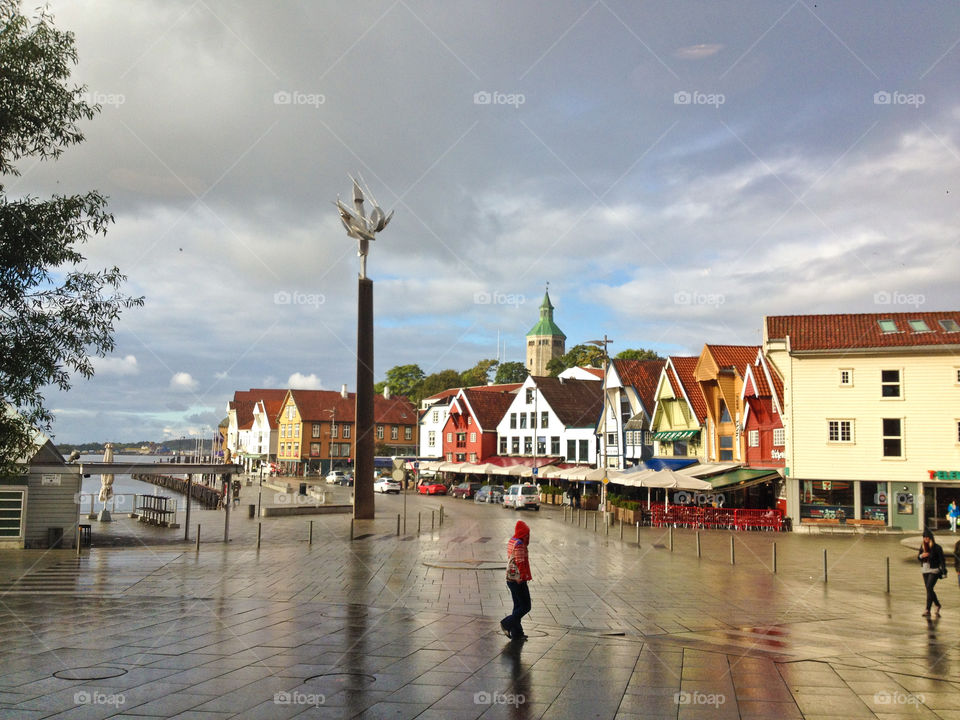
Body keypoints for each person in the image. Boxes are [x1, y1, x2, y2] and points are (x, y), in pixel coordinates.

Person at [500, 520, 532, 640]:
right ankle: (506, 623)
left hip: (510, 578)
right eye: (526, 534)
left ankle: (517, 633)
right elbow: (520, 562)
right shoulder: (519, 544)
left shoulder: (512, 540)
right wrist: (523, 577)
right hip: (518, 580)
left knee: (517, 605)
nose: (528, 537)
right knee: (526, 606)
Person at [918, 529, 945, 617]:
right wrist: (922, 556)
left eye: (927, 537)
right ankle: (930, 608)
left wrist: (944, 571)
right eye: (924, 537)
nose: (925, 539)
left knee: (929, 587)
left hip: (934, 570)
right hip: (925, 569)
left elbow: (942, 560)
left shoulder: (937, 547)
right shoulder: (922, 547)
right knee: (928, 589)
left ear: (931, 538)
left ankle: (932, 606)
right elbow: (918, 557)